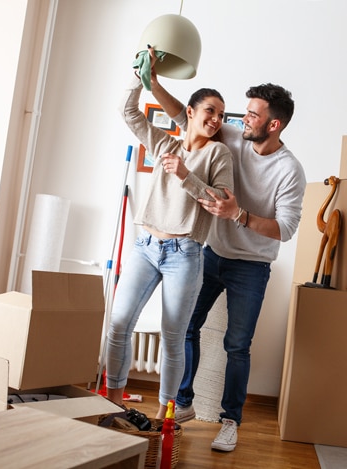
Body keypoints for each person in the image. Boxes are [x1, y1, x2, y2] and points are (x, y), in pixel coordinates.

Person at [150, 56, 307, 451]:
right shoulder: (234, 137)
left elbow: (285, 229)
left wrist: (238, 213)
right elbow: (185, 116)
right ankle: (183, 403)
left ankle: (230, 421)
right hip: (212, 253)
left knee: (237, 346)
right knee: (186, 326)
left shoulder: (290, 171)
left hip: (251, 267)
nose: (242, 119)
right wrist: (152, 82)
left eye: (252, 115)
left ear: (274, 125)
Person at [105, 61, 234, 420]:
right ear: (190, 112)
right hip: (146, 246)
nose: (216, 119)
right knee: (118, 324)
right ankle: (114, 404)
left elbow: (221, 202)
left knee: (173, 336)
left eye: (221, 115)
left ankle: (165, 416)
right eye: (210, 111)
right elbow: (127, 111)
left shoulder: (218, 154)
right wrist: (139, 76)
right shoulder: (164, 141)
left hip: (185, 253)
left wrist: (185, 174)